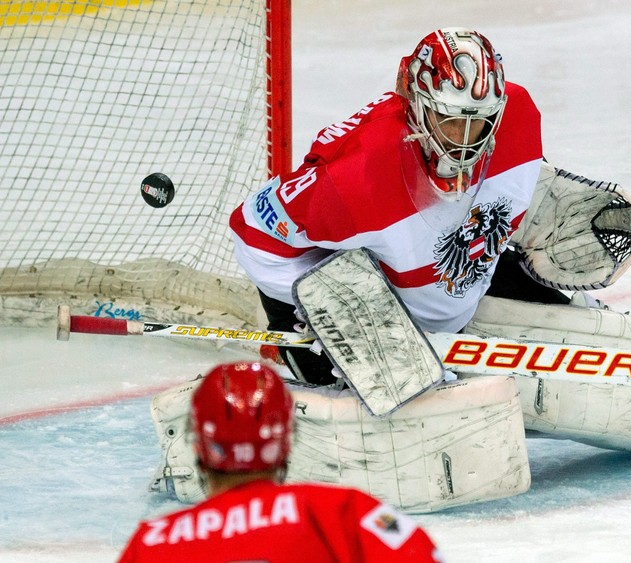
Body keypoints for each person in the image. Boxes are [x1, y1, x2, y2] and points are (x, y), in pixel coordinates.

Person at [230, 27, 570, 385]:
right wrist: (317, 303)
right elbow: (253, 230)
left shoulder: (520, 116)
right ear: (417, 106)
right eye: (450, 121)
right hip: (375, 304)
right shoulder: (357, 176)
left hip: (451, 279)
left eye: (479, 123)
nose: (464, 141)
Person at [118, 361, 443, 562]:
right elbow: (421, 555)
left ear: (199, 443)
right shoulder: (344, 512)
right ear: (285, 440)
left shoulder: (151, 543)